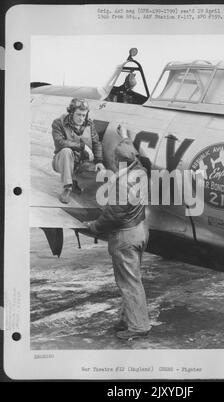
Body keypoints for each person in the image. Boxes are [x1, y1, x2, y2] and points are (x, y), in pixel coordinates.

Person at [84, 125, 151, 340]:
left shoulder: (123, 182)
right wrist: (125, 137)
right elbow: (135, 154)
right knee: (131, 278)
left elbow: (114, 215)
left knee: (129, 283)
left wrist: (93, 226)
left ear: (119, 162)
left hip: (125, 236)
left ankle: (138, 327)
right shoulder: (140, 169)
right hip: (140, 231)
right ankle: (127, 319)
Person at [51, 98, 105, 204]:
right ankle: (67, 188)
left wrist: (99, 161)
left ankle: (76, 181)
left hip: (81, 162)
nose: (81, 118)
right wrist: (82, 146)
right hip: (62, 160)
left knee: (99, 171)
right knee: (66, 151)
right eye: (79, 114)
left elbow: (96, 143)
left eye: (84, 115)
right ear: (71, 113)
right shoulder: (58, 123)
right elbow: (60, 142)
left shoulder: (89, 124)